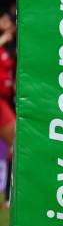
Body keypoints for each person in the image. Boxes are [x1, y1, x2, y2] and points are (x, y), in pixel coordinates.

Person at [0, 12, 15, 208]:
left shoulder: (11, 49)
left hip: (6, 101)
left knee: (16, 145)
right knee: (17, 142)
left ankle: (9, 195)